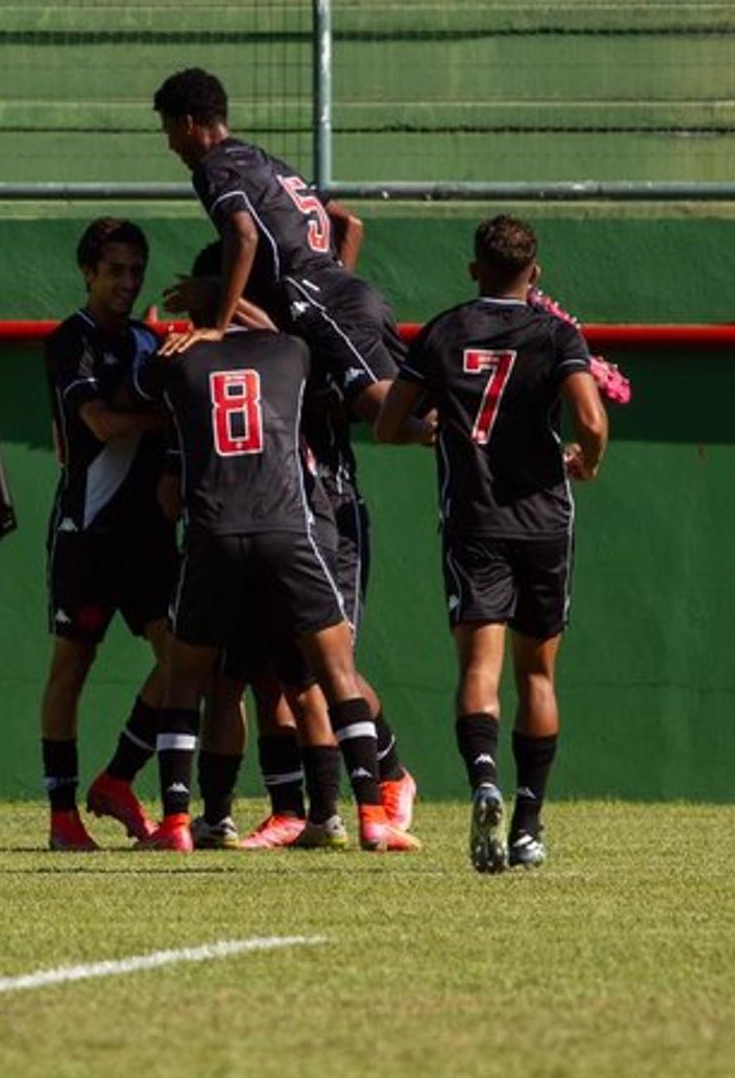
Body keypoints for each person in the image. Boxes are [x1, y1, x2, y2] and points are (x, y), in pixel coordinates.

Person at [132, 269, 414, 854]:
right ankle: (369, 816)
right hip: (290, 527)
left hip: (214, 529)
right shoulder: (293, 351)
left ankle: (179, 823)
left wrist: (193, 331)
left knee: (191, 683)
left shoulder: (176, 362)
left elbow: (144, 386)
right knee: (333, 674)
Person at [374, 215, 609, 875]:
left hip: (474, 519)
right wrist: (587, 460)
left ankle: (483, 780)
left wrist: (439, 431)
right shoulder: (556, 332)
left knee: (479, 668)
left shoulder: (445, 330)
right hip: (542, 520)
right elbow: (591, 419)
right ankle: (529, 823)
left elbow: (390, 425)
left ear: (473, 268)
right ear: (535, 274)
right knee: (537, 672)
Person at [150, 67, 400, 425]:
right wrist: (337, 279)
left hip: (314, 293)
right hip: (354, 293)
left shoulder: (212, 167)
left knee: (381, 409)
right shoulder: (269, 164)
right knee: (400, 401)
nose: (170, 144)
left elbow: (244, 235)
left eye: (169, 130)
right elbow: (350, 224)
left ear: (188, 123)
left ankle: (447, 432)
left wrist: (219, 324)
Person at [39, 218, 179, 850]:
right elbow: (97, 423)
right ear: (88, 272)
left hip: (148, 536)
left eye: (135, 270)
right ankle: (62, 816)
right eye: (115, 269)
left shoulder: (154, 342)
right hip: (88, 533)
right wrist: (162, 414)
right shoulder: (73, 340)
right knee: (73, 665)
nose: (127, 281)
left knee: (183, 664)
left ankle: (119, 777)